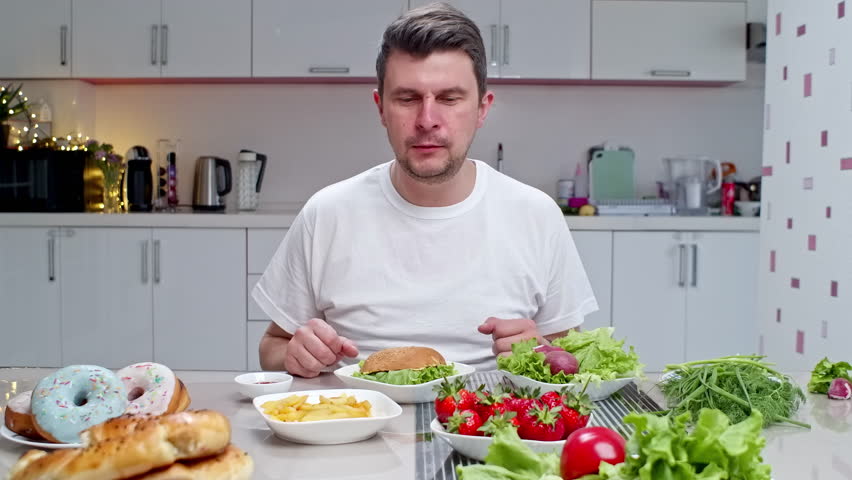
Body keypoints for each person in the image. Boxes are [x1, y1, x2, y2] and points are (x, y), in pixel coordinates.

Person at [252, 2, 597, 378]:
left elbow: (569, 360)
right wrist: (296, 354)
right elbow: (273, 346)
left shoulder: (536, 214)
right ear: (381, 107)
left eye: (449, 99)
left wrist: (540, 352)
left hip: (489, 430)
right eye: (407, 98)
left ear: (483, 108)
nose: (427, 120)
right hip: (358, 422)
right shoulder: (328, 212)